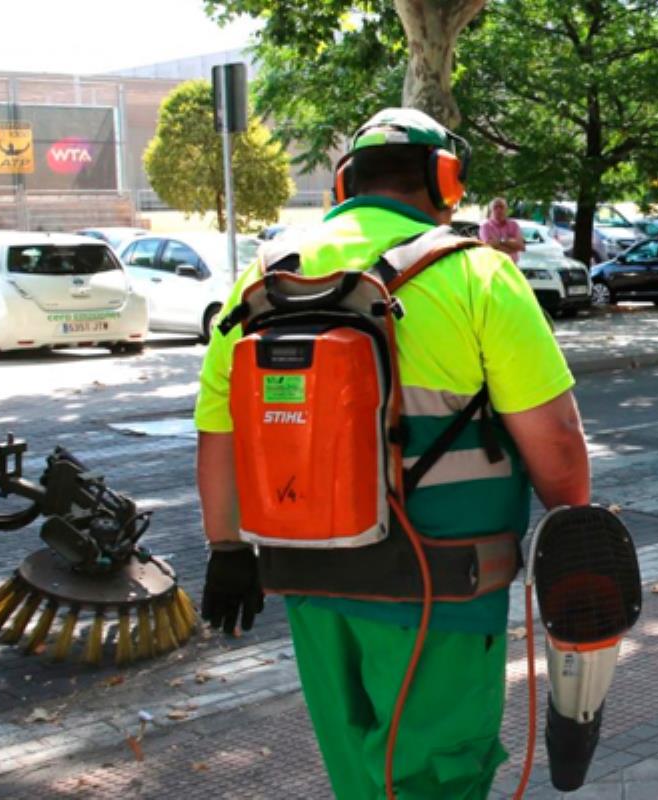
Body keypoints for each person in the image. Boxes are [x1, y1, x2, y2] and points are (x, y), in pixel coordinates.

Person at [194, 107, 590, 799]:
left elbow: (221, 430)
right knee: (437, 775)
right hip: (443, 584)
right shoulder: (479, 275)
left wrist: (227, 549)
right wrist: (577, 538)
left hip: (306, 578)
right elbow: (556, 442)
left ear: (345, 180)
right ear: (446, 180)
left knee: (359, 776)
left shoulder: (266, 278)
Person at [479, 196, 526, 263]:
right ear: (491, 210)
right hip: (494, 265)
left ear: (506, 209)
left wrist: (500, 241)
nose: (498, 210)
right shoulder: (485, 226)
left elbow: (521, 246)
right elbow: (490, 247)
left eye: (501, 207)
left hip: (512, 265)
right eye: (495, 207)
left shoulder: (514, 225)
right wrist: (512, 245)